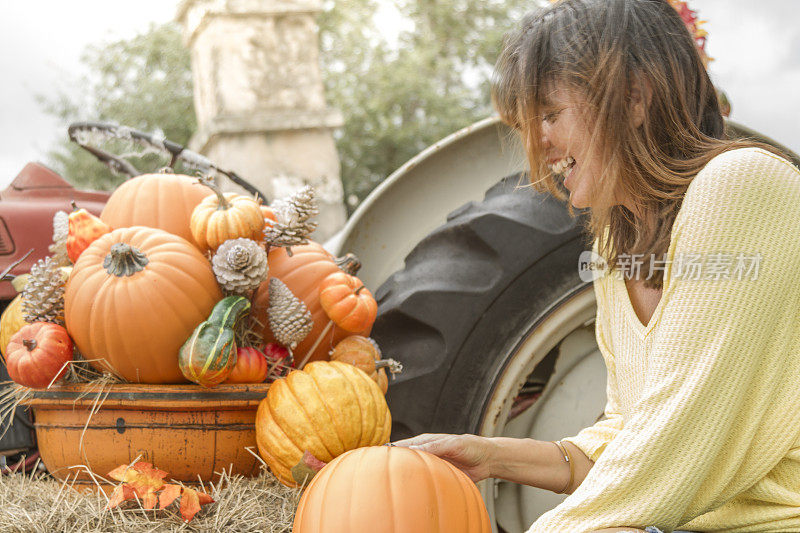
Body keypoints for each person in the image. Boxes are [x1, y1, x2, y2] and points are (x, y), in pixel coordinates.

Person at [393, 0, 800, 531]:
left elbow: (675, 449)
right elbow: (629, 439)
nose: (537, 142)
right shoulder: (615, 244)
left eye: (550, 114)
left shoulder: (745, 185)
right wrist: (490, 455)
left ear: (633, 98)